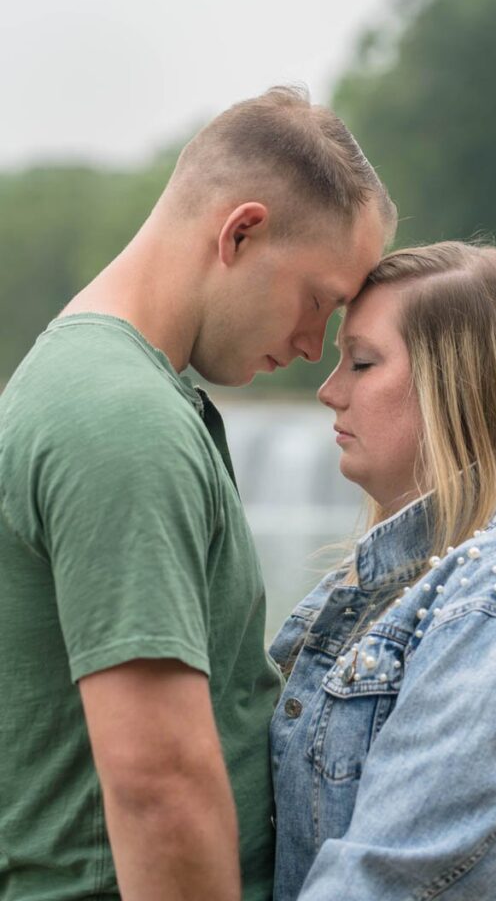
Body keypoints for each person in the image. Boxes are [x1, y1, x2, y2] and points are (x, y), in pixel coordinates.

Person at [0, 86, 395, 901]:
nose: (310, 346)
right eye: (316, 300)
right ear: (241, 233)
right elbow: (159, 784)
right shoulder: (119, 421)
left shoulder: (120, 393)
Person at [270, 242, 496, 901]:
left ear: (456, 384)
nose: (330, 392)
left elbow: (390, 882)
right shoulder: (398, 581)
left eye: (360, 362)